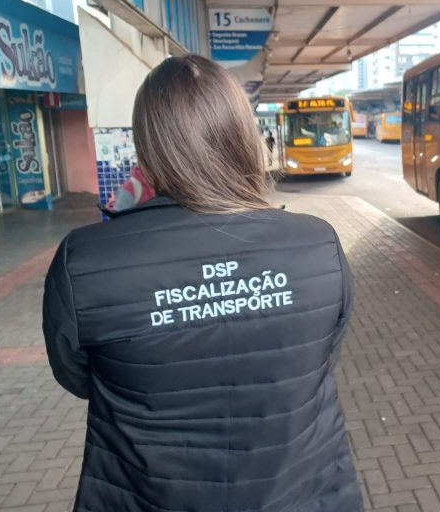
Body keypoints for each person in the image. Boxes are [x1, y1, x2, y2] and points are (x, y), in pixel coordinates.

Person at [42, 55, 362, 512]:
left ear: (148, 146)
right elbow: (319, 356)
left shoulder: (86, 260)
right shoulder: (318, 245)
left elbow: (78, 376)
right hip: (302, 493)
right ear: (242, 135)